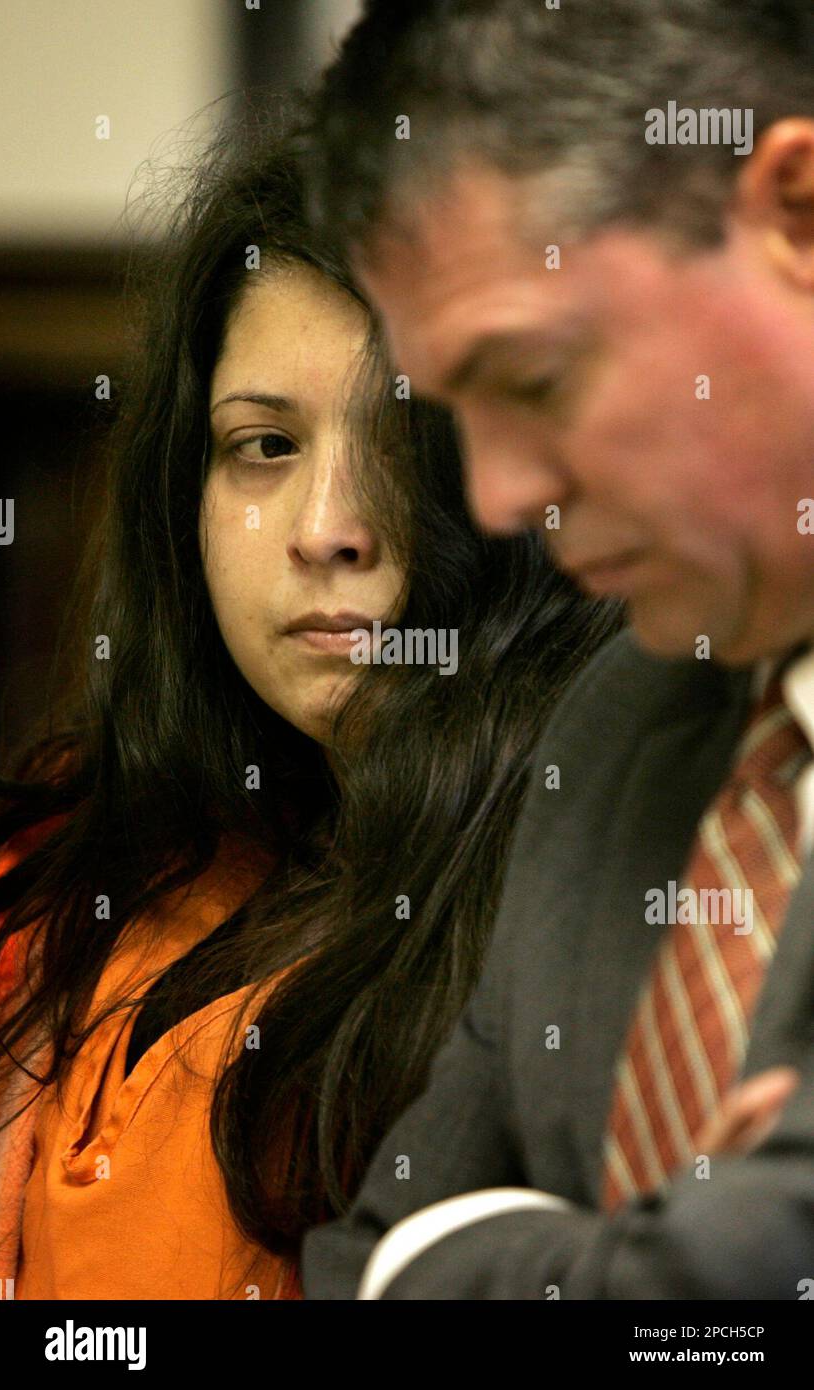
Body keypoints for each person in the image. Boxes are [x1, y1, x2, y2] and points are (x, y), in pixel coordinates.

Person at [0, 111, 614, 1299]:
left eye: (405, 441)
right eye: (264, 444)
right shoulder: (106, 857)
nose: (327, 526)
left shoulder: (588, 918)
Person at [300, 0, 814, 1298]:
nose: (491, 498)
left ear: (793, 212)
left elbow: (737, 1279)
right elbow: (359, 1248)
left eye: (529, 380)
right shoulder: (620, 713)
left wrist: (469, 1258)